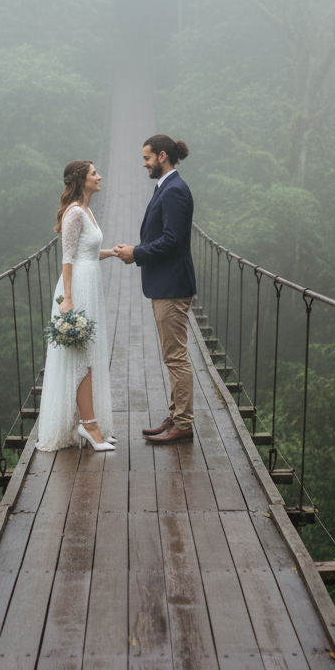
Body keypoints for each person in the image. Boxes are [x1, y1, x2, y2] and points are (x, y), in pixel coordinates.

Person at [114, 135, 196, 443]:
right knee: (171, 353)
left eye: (147, 158)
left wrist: (137, 253)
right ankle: (176, 415)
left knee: (175, 356)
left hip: (172, 284)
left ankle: (183, 424)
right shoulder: (167, 187)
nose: (144, 164)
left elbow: (173, 240)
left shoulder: (174, 190)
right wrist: (137, 250)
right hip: (166, 283)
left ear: (162, 156)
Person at [36, 160, 117, 453]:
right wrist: (68, 298)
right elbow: (68, 258)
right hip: (77, 288)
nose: (99, 176)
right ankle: (89, 426)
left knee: (88, 354)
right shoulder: (74, 213)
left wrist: (112, 252)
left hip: (88, 283)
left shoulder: (86, 210)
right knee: (81, 354)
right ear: (82, 180)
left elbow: (88, 252)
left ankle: (86, 422)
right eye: (94, 173)